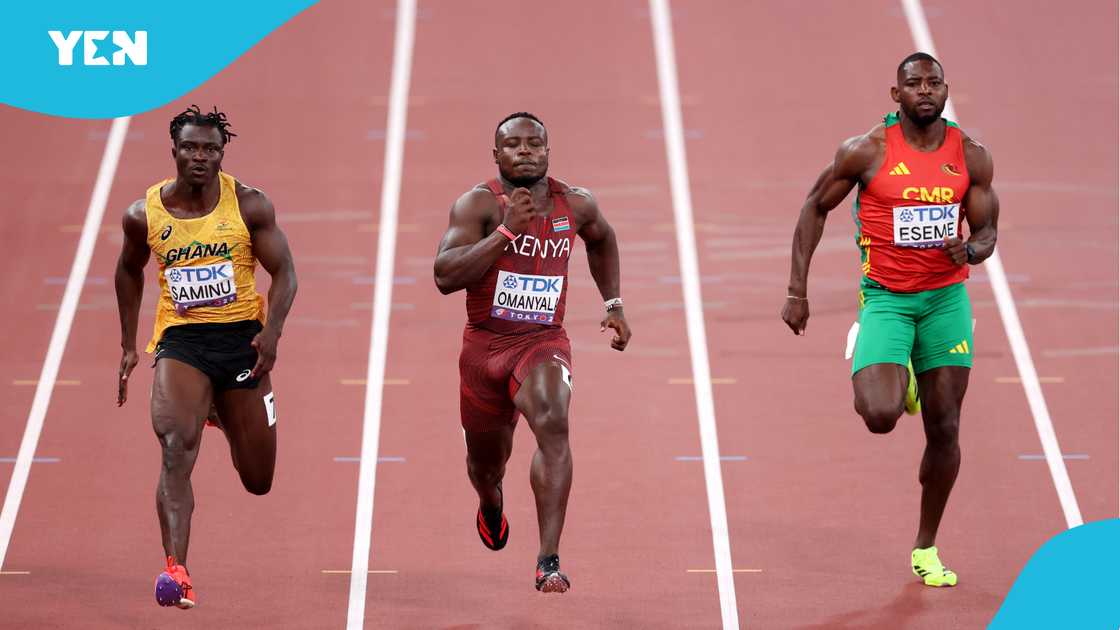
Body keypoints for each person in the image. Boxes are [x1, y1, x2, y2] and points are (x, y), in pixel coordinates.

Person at [781, 53, 999, 587]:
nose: (925, 90)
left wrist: (970, 250)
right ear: (895, 94)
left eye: (934, 83)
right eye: (913, 84)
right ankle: (890, 367)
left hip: (946, 300)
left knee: (945, 427)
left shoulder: (971, 155)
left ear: (947, 90)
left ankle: (926, 547)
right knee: (879, 415)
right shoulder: (866, 151)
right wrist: (797, 290)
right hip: (887, 298)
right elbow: (814, 206)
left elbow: (989, 231)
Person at [434, 112, 631, 593]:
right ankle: (491, 501)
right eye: (513, 145)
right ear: (496, 154)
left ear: (548, 151)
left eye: (534, 144)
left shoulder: (576, 204)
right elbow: (444, 275)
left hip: (541, 341)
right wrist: (505, 231)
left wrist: (614, 303)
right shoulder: (477, 204)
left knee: (553, 422)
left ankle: (548, 560)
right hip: (484, 349)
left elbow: (602, 239)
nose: (524, 151)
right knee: (486, 466)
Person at [114, 105, 298, 608]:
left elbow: (286, 274)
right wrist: (129, 345)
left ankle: (221, 409)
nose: (200, 156)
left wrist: (272, 335)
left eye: (210, 149)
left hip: (242, 342)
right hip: (183, 342)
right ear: (174, 150)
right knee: (176, 447)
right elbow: (128, 271)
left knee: (258, 480)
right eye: (191, 147)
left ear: (222, 153)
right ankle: (177, 570)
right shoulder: (143, 214)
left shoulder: (249, 205)